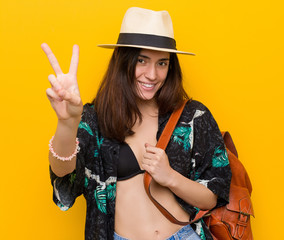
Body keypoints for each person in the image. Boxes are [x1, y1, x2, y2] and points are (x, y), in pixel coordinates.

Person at [42, 7, 231, 240]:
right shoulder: (95, 119)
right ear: (124, 61)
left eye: (162, 63)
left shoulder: (194, 116)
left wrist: (170, 176)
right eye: (142, 60)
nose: (152, 74)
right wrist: (67, 122)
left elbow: (212, 197)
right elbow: (65, 182)